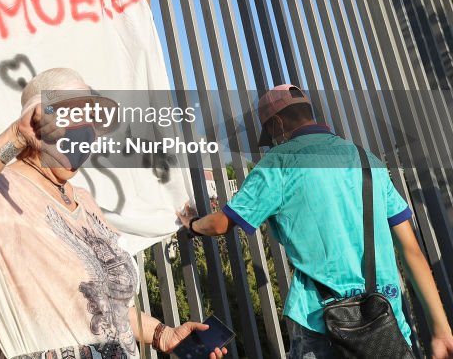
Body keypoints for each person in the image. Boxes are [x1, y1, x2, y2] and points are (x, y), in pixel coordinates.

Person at [0, 68, 226, 359]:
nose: (84, 140)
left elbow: (106, 307)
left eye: (89, 130)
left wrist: (163, 335)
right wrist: (16, 136)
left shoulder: (84, 201)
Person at [178, 85, 453, 359]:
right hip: (385, 323)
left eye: (271, 133)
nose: (273, 140)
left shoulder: (279, 163)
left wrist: (192, 225)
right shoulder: (366, 160)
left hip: (321, 327)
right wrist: (441, 330)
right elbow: (411, 250)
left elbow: (221, 223)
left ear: (276, 123)